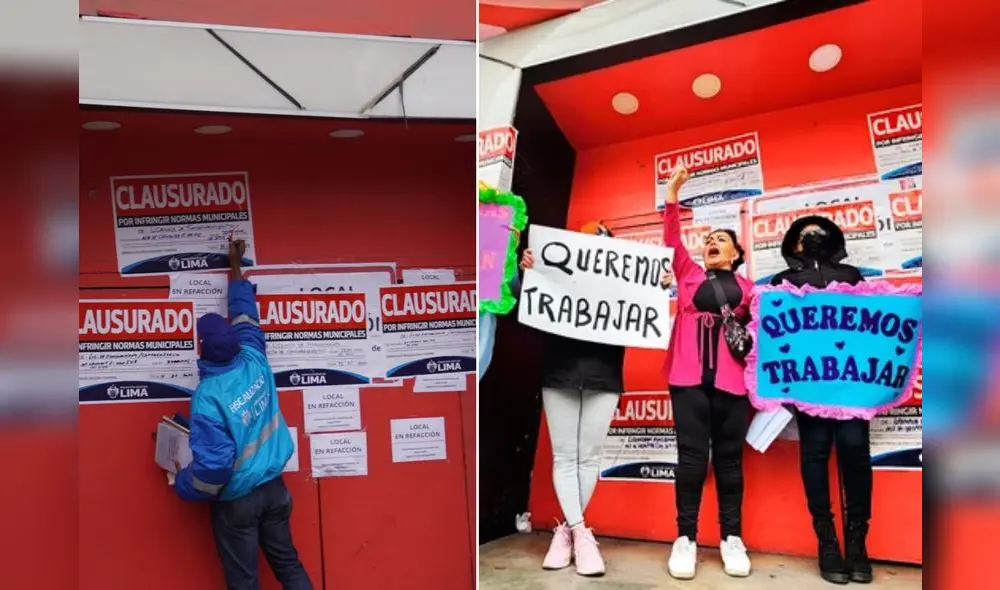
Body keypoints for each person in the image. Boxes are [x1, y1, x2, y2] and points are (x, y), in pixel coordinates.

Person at [173, 238, 312, 590]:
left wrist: (183, 482)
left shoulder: (207, 397)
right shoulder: (253, 355)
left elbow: (214, 468)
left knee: (244, 582)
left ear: (202, 349)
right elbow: (245, 311)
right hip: (275, 490)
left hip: (238, 501)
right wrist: (235, 266)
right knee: (289, 565)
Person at [518, 221, 644, 577]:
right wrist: (529, 271)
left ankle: (567, 533)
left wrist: (659, 284)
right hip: (560, 368)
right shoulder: (554, 269)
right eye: (588, 240)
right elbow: (526, 301)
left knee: (588, 457)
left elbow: (646, 300)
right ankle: (580, 534)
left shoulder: (625, 280)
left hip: (604, 372)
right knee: (565, 455)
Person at [660, 167, 755, 580]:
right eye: (709, 240)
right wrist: (672, 195)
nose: (712, 243)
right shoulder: (687, 274)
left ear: (735, 254)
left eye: (721, 240)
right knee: (691, 459)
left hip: (732, 383)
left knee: (730, 461)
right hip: (687, 380)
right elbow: (671, 239)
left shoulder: (750, 289)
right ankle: (685, 538)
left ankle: (732, 538)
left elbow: (769, 331)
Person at [769, 216, 872, 585]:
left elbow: (873, 322)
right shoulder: (781, 281)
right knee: (814, 453)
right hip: (809, 383)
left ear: (832, 239)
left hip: (851, 381)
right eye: (803, 233)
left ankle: (857, 543)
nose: (811, 236)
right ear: (793, 244)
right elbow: (773, 332)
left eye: (818, 232)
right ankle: (827, 542)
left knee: (855, 451)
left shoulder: (852, 275)